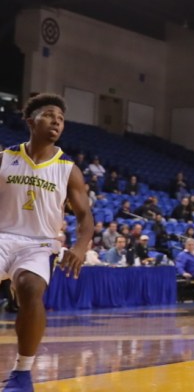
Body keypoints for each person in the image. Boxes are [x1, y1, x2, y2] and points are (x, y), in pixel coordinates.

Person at [0, 93, 93, 392]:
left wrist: (79, 247)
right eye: (50, 115)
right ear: (31, 121)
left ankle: (21, 374)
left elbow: (85, 216)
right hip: (2, 235)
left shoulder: (68, 169)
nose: (56, 122)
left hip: (39, 243)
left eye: (61, 119)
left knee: (30, 288)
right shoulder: (5, 158)